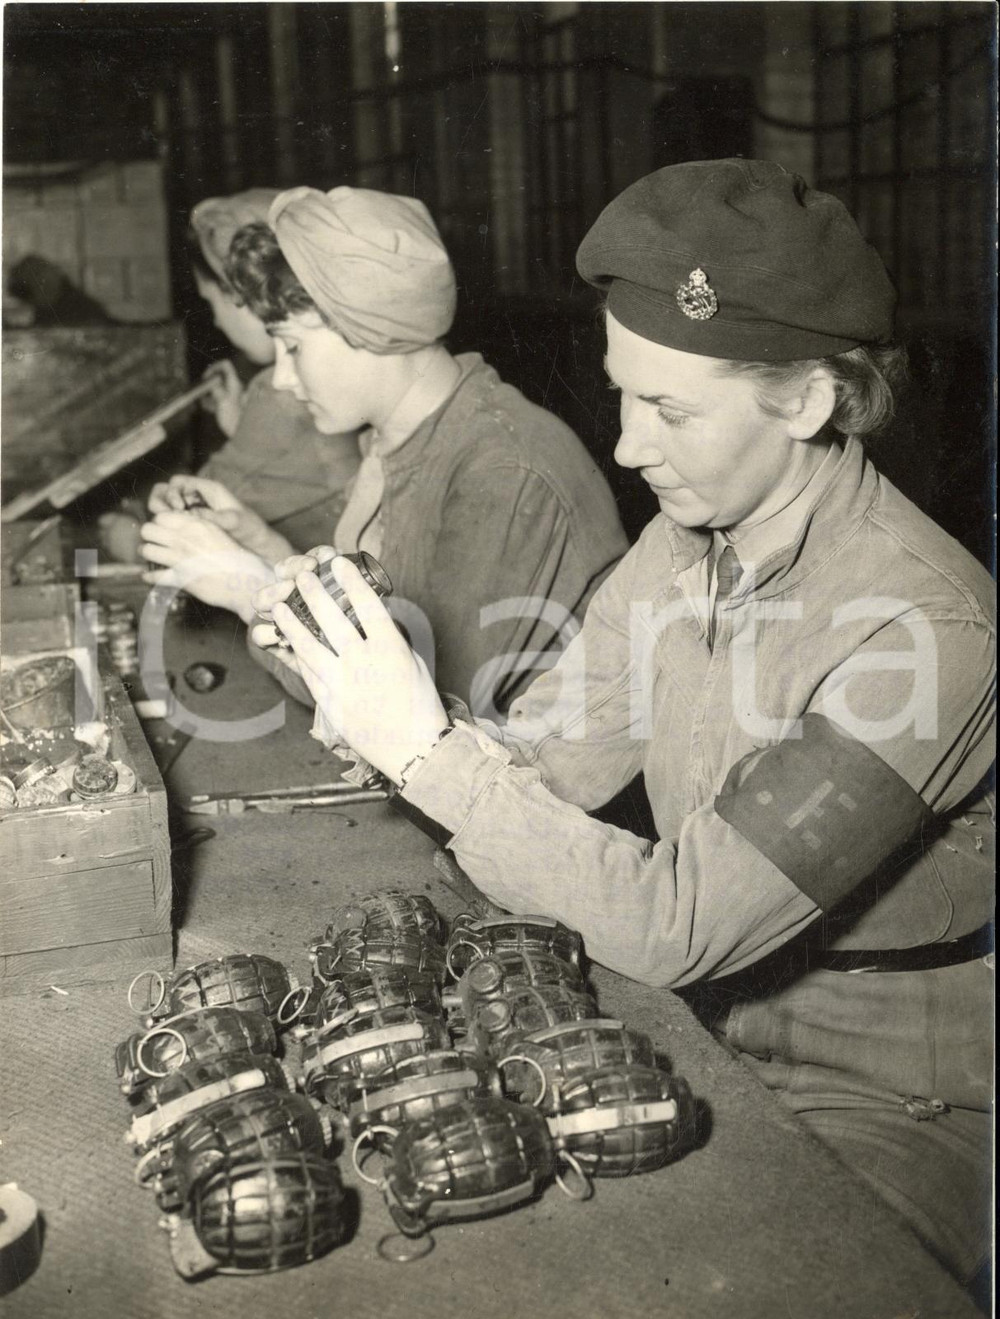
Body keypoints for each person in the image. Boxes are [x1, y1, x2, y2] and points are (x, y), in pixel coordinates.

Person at [252, 160, 995, 1283]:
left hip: (893, 1094)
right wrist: (362, 674)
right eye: (622, 395)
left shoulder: (925, 630)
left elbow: (678, 918)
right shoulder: (684, 544)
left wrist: (423, 747)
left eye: (670, 410)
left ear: (806, 401)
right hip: (702, 1029)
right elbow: (541, 762)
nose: (629, 446)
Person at [151, 184, 627, 715]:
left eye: (293, 346)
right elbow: (379, 627)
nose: (282, 378)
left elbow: (425, 712)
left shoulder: (502, 468)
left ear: (369, 331)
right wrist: (264, 547)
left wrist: (248, 590)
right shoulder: (397, 442)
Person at [141, 189, 361, 563]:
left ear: (242, 292)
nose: (215, 320)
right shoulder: (328, 377)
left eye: (212, 301)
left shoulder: (278, 391)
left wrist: (126, 536)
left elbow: (198, 515)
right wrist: (239, 423)